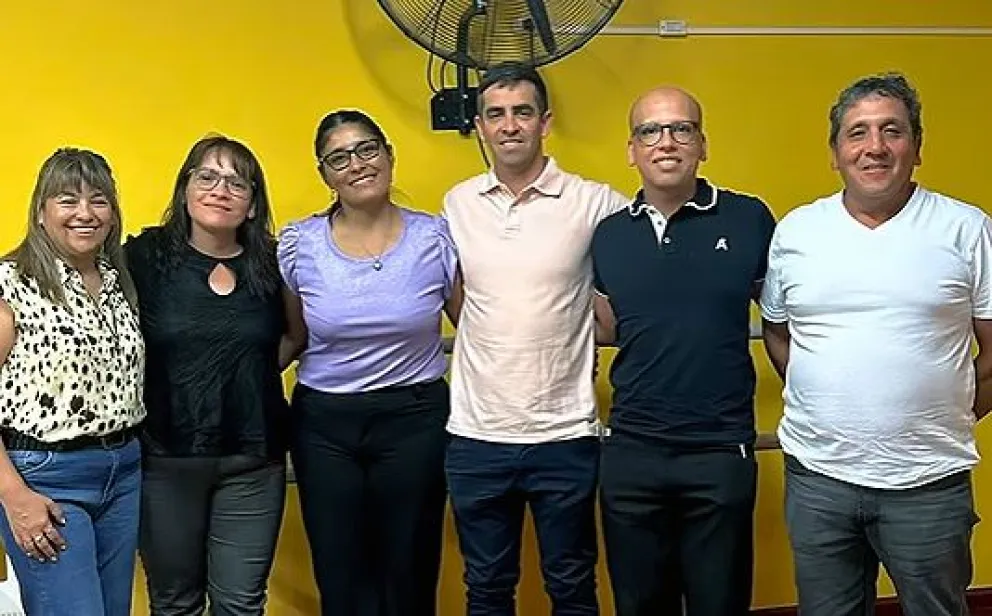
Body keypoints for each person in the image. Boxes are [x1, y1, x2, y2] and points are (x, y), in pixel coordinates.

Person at [760, 72, 991, 616]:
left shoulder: (966, 228)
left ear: (917, 147)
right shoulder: (796, 232)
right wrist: (828, 402)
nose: (875, 146)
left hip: (928, 482)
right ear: (835, 153)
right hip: (818, 480)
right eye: (857, 132)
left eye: (893, 130)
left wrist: (950, 414)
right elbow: (777, 330)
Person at [442, 61, 628, 616]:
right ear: (480, 126)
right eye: (496, 114)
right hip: (476, 434)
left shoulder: (595, 202)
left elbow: (644, 269)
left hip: (564, 433)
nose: (510, 126)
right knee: (486, 588)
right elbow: (457, 297)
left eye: (522, 112)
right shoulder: (457, 203)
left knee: (571, 584)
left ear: (545, 122)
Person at [591, 87, 776, 616]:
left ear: (702, 144)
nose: (666, 142)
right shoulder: (608, 235)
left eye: (681, 129)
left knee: (720, 604)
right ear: (632, 150)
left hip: (719, 453)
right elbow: (607, 326)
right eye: (650, 131)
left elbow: (788, 321)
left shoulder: (748, 219)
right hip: (632, 453)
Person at [278, 109, 460, 616]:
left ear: (388, 155)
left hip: (415, 419)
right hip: (325, 425)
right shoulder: (299, 243)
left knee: (410, 569)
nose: (356, 164)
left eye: (366, 149)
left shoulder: (434, 237)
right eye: (339, 158)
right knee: (341, 573)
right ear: (325, 175)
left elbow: (474, 327)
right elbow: (293, 335)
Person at [125, 135, 295, 616]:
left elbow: (294, 336)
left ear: (253, 204)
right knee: (175, 603)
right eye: (207, 177)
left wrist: (242, 376)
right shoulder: (144, 257)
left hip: (252, 460)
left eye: (237, 183)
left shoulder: (273, 263)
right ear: (185, 189)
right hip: (166, 460)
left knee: (241, 604)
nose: (221, 190)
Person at [0, 148, 145, 615]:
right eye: (67, 200)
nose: (85, 213)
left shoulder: (118, 281)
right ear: (41, 212)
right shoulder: (11, 283)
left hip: (123, 472)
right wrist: (14, 496)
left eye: (98, 200)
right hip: (45, 477)